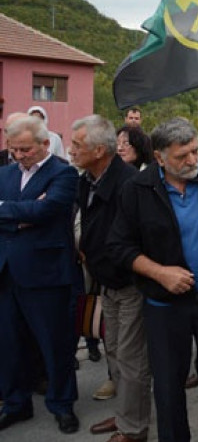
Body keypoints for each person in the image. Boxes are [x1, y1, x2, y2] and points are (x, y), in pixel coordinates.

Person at [107, 117, 198, 442]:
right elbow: (119, 246)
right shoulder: (137, 188)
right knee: (168, 383)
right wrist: (160, 272)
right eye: (181, 156)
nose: (192, 161)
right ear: (159, 158)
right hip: (164, 306)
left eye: (194, 151)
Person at [69, 115, 151, 442]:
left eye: (77, 145)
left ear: (100, 150)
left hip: (129, 283)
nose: (72, 150)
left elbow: (136, 237)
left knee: (131, 360)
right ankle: (125, 416)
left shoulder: (129, 183)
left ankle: (134, 428)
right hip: (107, 281)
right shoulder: (87, 179)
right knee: (115, 351)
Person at [0, 116, 79, 435]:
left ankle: (62, 404)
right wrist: (23, 212)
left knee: (54, 343)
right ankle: (16, 403)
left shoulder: (64, 173)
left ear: (45, 144)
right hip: (6, 272)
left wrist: (10, 210)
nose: (18, 156)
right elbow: (31, 212)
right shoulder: (4, 174)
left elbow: (48, 211)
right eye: (13, 149)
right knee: (8, 343)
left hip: (46, 274)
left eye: (25, 150)